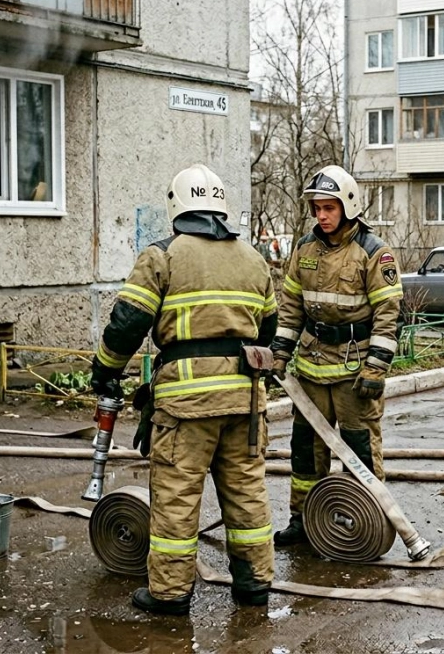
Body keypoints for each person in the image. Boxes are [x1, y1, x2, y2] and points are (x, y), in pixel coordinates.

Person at [90, 164, 278, 615]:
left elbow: (128, 323)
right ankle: (254, 584)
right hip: (245, 403)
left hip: (186, 407)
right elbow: (268, 329)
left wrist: (105, 370)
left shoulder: (162, 256)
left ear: (175, 206)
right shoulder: (254, 259)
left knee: (176, 495)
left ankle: (171, 594)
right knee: (247, 493)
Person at [269, 165, 404, 546]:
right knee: (305, 450)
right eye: (316, 209)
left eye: (329, 208)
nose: (322, 216)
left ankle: (365, 520)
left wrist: (376, 368)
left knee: (358, 449)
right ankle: (303, 519)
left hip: (354, 369)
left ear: (348, 206)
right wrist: (281, 351)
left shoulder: (374, 253)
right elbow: (291, 305)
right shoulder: (303, 250)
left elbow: (387, 315)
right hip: (311, 369)